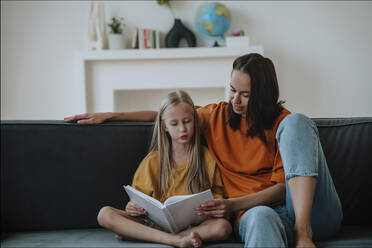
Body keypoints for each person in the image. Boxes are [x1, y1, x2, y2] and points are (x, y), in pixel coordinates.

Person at [66, 53, 343, 247]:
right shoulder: (217, 117)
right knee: (259, 217)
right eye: (232, 90)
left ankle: (303, 233)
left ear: (264, 95)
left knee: (299, 122)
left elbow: (286, 188)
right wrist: (110, 116)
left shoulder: (282, 123)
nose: (235, 100)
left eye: (245, 95)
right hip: (261, 217)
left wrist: (232, 205)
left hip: (312, 212)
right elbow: (169, 115)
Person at [96, 90, 231, 248]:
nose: (182, 129)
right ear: (164, 126)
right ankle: (174, 240)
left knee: (222, 227)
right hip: (153, 224)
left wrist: (210, 208)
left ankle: (153, 237)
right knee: (105, 214)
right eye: (174, 124)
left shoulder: (206, 157)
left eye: (187, 121)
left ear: (195, 120)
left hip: (194, 226)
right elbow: (136, 201)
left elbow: (219, 199)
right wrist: (132, 207)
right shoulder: (153, 161)